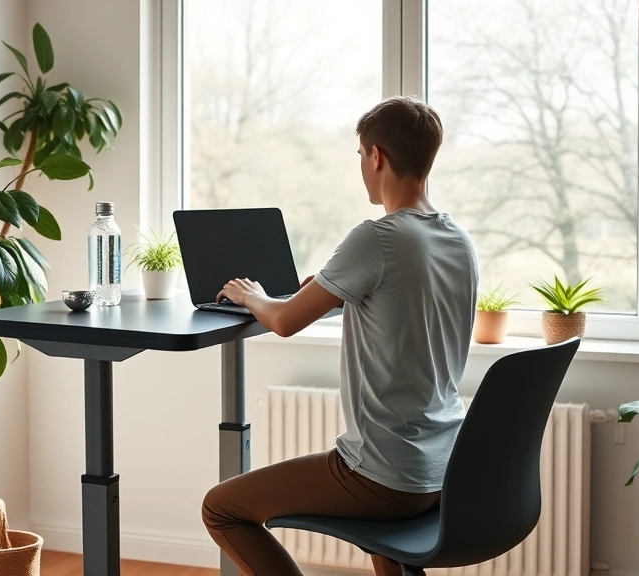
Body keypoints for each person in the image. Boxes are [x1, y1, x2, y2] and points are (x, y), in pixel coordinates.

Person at [203, 95, 479, 576]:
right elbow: (403, 302)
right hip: (442, 470)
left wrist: (252, 296)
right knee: (380, 528)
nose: (361, 167)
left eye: (359, 156)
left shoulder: (378, 237)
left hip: (384, 476)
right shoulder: (457, 239)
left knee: (221, 508)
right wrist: (332, 286)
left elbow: (285, 321)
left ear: (377, 156)